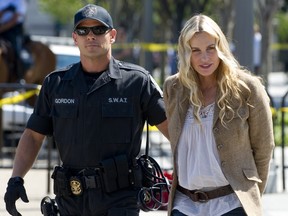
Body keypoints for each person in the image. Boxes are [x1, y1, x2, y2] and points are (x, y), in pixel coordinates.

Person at [4, 4, 169, 216]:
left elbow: (174, 132)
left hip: (120, 201)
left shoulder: (137, 82)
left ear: (113, 36)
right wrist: (16, 178)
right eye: (83, 30)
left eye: (99, 29)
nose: (90, 35)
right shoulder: (56, 84)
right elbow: (33, 136)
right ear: (75, 38)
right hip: (70, 201)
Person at [163, 14, 274, 216]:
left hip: (232, 203)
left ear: (221, 47)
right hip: (184, 204)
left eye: (210, 49)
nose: (204, 58)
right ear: (185, 53)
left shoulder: (247, 88)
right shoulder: (174, 87)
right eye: (195, 50)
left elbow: (264, 148)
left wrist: (251, 196)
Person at [0, 0, 27, 77]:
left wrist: (1, 29)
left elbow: (15, 19)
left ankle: (19, 77)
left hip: (13, 31)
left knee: (16, 50)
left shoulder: (19, 1)